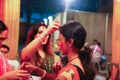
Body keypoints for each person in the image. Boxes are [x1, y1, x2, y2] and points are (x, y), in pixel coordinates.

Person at [20, 21, 95, 80]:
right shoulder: (78, 63)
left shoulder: (69, 71)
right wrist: (38, 70)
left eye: (59, 40)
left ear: (70, 42)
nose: (58, 44)